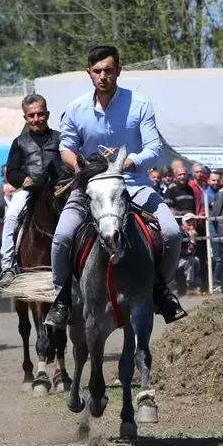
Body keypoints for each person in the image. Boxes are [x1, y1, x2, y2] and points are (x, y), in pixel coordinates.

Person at [44, 45, 186, 330]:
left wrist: (130, 163)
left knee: (172, 232)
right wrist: (81, 168)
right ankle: (61, 300)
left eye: (109, 70)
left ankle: (160, 289)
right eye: (97, 71)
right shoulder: (75, 109)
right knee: (61, 237)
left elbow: (153, 148)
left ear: (118, 71)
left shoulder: (140, 105)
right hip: (90, 189)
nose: (103, 76)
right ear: (89, 73)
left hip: (133, 184)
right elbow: (66, 148)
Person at [0, 93, 63, 287]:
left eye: (40, 114)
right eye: (31, 115)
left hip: (57, 191)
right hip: (29, 192)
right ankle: (8, 266)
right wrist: (23, 180)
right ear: (25, 117)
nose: (36, 119)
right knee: (11, 217)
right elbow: (12, 171)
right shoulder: (19, 142)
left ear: (48, 114)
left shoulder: (60, 139)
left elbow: (68, 164)